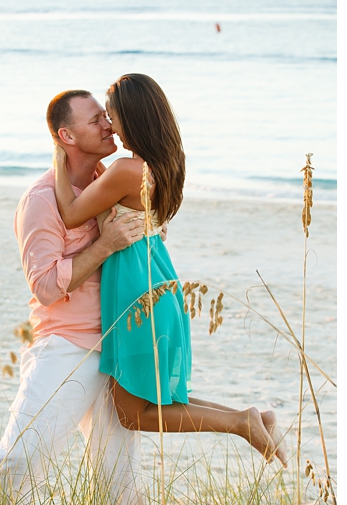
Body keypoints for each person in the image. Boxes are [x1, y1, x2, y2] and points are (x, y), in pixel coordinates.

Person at [0, 89, 149, 505]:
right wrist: (103, 246)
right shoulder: (41, 201)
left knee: (119, 478)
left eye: (107, 117)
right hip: (67, 347)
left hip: (118, 346)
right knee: (21, 457)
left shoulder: (111, 182)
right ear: (67, 136)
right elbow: (45, 286)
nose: (109, 125)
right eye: (95, 120)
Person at [52, 74, 286, 464]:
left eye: (113, 117)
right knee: (157, 398)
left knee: (132, 413)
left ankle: (242, 424)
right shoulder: (165, 165)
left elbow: (72, 214)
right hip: (156, 283)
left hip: (136, 294)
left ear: (134, 118)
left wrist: (59, 159)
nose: (110, 127)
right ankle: (248, 418)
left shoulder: (128, 170)